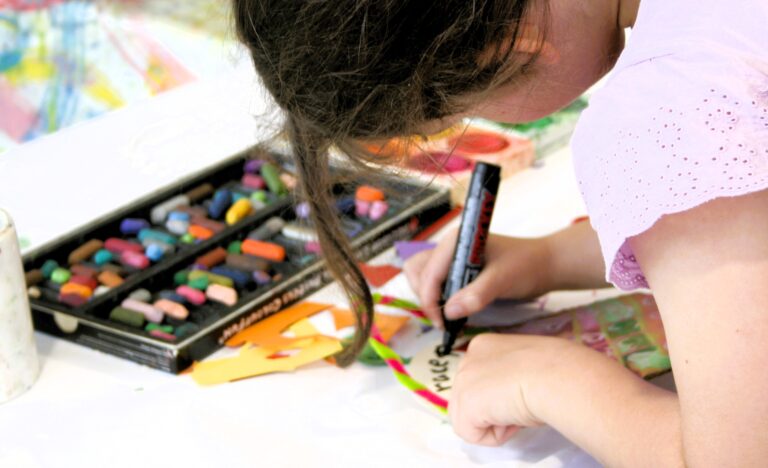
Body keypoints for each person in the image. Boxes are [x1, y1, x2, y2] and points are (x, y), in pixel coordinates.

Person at [231, 0, 768, 464]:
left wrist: (550, 382)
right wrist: (554, 259)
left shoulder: (672, 110)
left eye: (449, 112)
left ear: (511, 51)